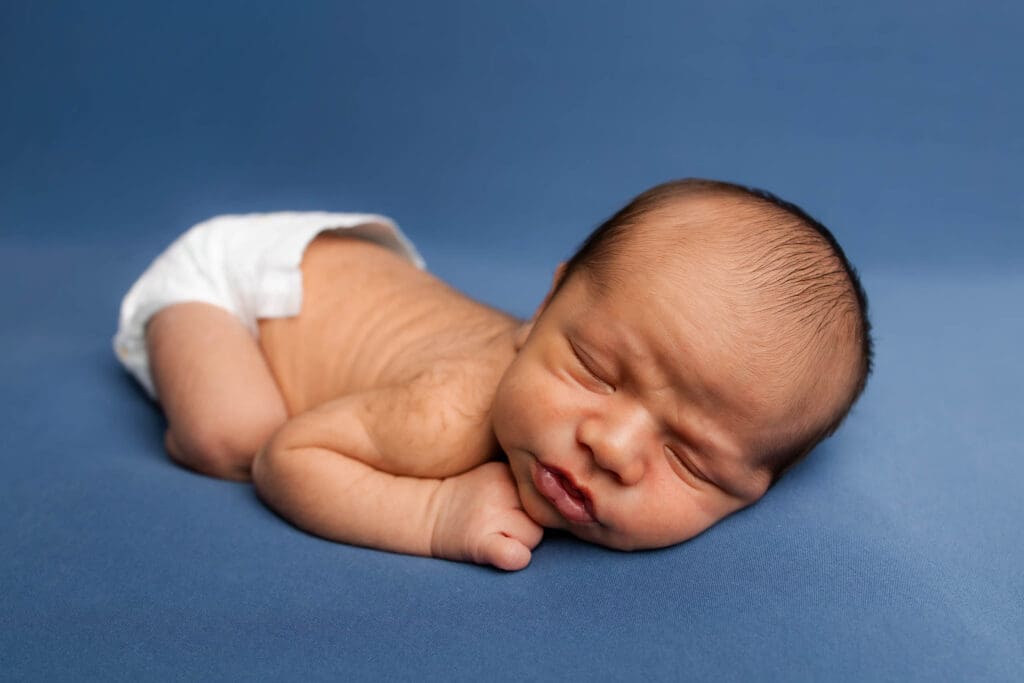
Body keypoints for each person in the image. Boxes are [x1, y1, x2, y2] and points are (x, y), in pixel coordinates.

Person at [113, 178, 872, 571]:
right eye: (596, 371)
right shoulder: (446, 413)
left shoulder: (566, 377)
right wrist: (437, 516)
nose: (610, 445)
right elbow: (289, 460)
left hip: (353, 275)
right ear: (544, 306)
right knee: (236, 434)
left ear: (754, 486)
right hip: (238, 281)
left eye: (688, 455)